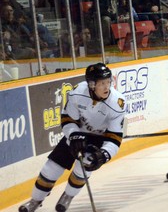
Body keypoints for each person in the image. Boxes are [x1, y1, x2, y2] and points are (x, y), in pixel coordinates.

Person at [18, 63, 126, 212]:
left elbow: (114, 139)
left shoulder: (117, 103)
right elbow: (68, 120)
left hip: (98, 139)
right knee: (51, 168)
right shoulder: (77, 93)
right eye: (102, 83)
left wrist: (104, 154)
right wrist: (73, 135)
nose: (106, 87)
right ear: (91, 84)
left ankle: (68, 196)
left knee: (84, 167)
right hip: (77, 134)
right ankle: (35, 200)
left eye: (108, 82)